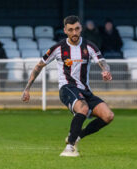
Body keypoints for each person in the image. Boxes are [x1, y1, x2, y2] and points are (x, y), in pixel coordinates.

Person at [21, 15, 114, 157]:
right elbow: (39, 66)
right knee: (83, 108)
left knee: (108, 116)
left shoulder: (89, 46)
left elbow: (102, 61)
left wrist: (105, 70)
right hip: (67, 88)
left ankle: (77, 136)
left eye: (77, 29)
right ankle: (69, 147)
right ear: (65, 30)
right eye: (71, 30)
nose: (74, 33)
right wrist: (27, 88)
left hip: (85, 90)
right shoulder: (58, 48)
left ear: (81, 28)